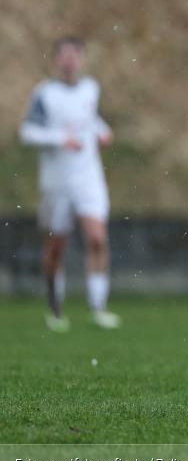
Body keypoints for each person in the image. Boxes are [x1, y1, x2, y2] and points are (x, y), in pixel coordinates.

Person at [19, 36, 121, 332]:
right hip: (56, 181)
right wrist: (59, 139)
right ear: (55, 60)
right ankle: (55, 307)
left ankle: (98, 307)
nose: (69, 61)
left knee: (97, 238)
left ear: (82, 60)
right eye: (64, 56)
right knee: (56, 246)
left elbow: (89, 120)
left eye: (75, 55)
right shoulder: (44, 94)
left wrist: (103, 131)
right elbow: (27, 131)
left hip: (88, 177)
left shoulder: (91, 89)